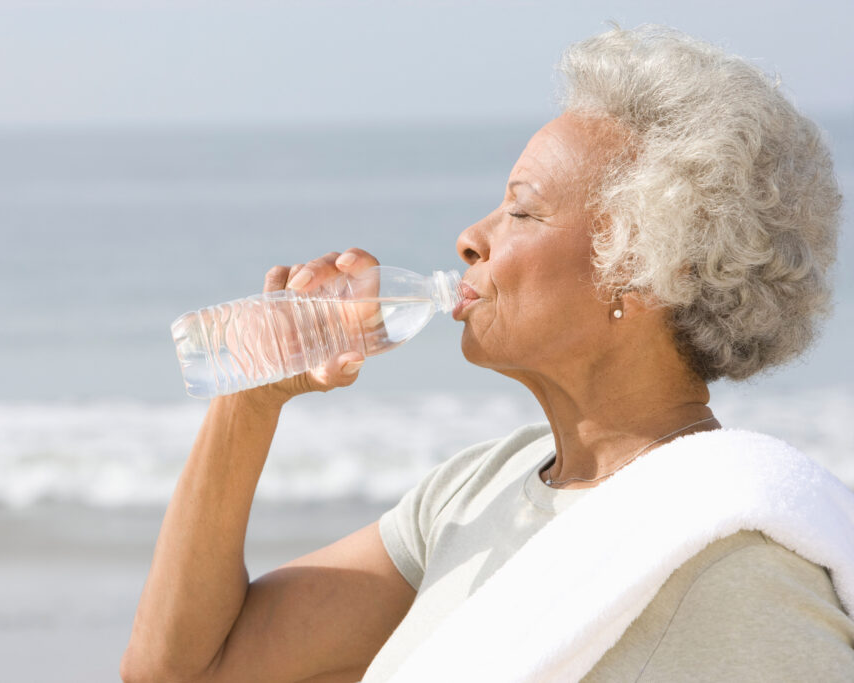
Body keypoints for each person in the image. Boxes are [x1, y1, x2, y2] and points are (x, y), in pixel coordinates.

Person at [121, 25, 853, 683]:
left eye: (522, 210)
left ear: (648, 269)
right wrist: (251, 395)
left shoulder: (735, 569)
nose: (470, 236)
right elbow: (184, 669)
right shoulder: (480, 487)